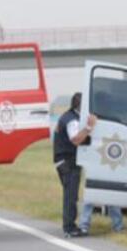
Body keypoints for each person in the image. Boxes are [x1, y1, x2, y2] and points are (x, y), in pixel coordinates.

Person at [53, 92, 96, 238]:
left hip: (62, 160)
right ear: (80, 106)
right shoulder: (72, 121)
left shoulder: (67, 116)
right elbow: (76, 139)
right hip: (68, 161)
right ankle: (70, 227)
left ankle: (69, 225)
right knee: (71, 195)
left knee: (69, 194)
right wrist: (89, 128)